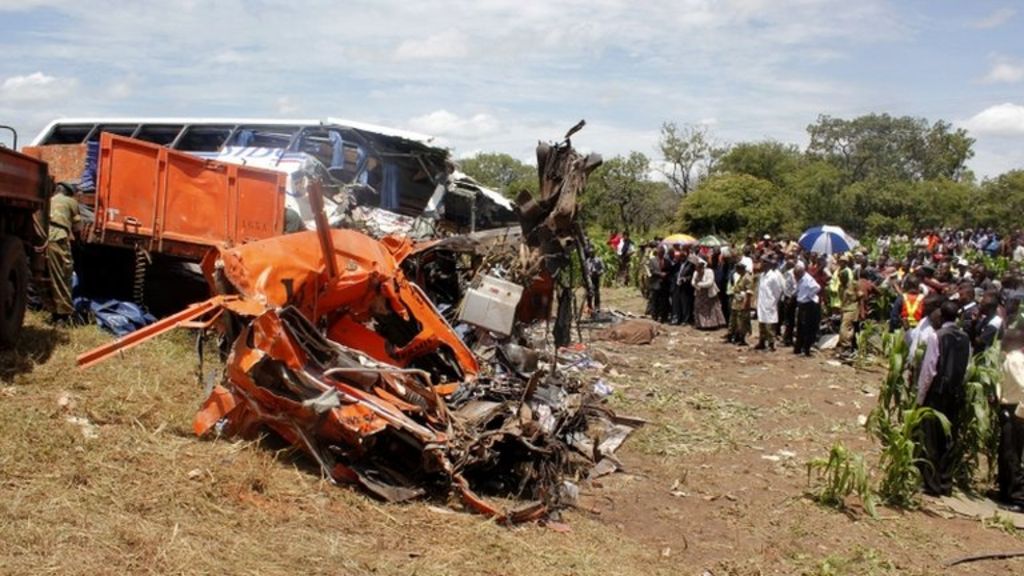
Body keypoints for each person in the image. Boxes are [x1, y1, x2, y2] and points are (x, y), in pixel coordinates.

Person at [916, 300, 972, 496]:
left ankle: (931, 484)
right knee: (948, 438)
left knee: (931, 438)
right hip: (954, 393)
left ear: (942, 316)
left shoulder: (936, 337)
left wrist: (920, 397)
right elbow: (966, 369)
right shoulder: (965, 338)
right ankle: (945, 483)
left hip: (936, 392)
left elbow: (929, 370)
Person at [46, 182, 81, 326]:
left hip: (43, 237)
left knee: (48, 275)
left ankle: (53, 312)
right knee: (64, 274)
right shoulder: (71, 202)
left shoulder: (49, 200)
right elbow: (77, 226)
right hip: (58, 238)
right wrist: (79, 243)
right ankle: (63, 315)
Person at [997, 325, 1024, 510]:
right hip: (1011, 407)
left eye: (1005, 339)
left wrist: (1020, 412)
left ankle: (1018, 497)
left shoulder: (1014, 360)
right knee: (1007, 451)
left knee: (1012, 453)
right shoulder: (1012, 359)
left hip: (1016, 409)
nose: (1002, 342)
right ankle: (1006, 491)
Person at [756, 257, 784, 351]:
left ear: (768, 264)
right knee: (762, 323)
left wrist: (773, 301)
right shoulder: (762, 275)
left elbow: (778, 290)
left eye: (764, 263)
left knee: (769, 325)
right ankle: (762, 342)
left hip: (770, 302)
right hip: (762, 302)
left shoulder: (773, 276)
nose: (761, 264)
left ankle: (771, 344)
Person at [793, 262, 821, 357]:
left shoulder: (808, 279)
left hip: (809, 305)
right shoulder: (800, 279)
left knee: (807, 328)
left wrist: (809, 295)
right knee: (800, 327)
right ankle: (798, 348)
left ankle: (806, 349)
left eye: (797, 274)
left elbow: (817, 287)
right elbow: (797, 290)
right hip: (802, 305)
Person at [692, 259, 726, 330]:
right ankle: (701, 324)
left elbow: (710, 282)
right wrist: (696, 285)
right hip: (699, 293)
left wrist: (699, 284)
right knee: (699, 308)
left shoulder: (709, 271)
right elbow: (692, 282)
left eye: (699, 268)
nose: (698, 270)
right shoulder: (695, 273)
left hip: (709, 293)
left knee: (711, 309)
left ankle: (712, 324)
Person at [727, 261, 753, 345]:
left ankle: (741, 338)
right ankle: (731, 336)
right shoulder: (740, 276)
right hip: (736, 300)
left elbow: (748, 292)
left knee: (741, 321)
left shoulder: (747, 277)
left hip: (742, 300)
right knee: (733, 319)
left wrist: (745, 303)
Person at [584, 247, 605, 317]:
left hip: (596, 277)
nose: (591, 254)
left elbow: (602, 269)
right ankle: (589, 307)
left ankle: (597, 307)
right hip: (589, 278)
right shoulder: (587, 261)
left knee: (596, 292)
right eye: (590, 253)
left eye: (592, 252)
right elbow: (586, 270)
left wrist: (598, 272)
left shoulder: (598, 260)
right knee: (589, 292)